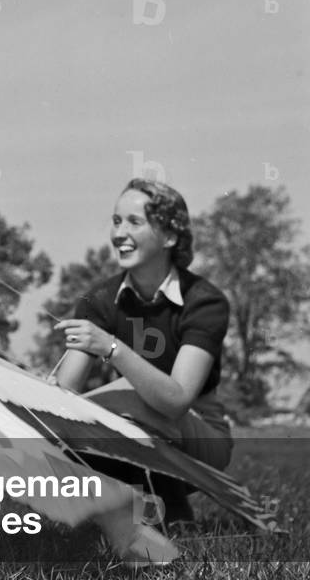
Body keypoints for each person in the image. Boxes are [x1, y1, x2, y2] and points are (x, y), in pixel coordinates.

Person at [54, 178, 233, 536]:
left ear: (169, 236)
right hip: (133, 423)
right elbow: (63, 392)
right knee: (60, 426)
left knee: (130, 394)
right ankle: (155, 513)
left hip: (202, 443)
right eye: (116, 221)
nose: (119, 232)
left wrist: (112, 348)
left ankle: (168, 506)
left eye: (134, 222)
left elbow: (177, 400)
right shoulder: (98, 301)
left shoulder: (204, 301)